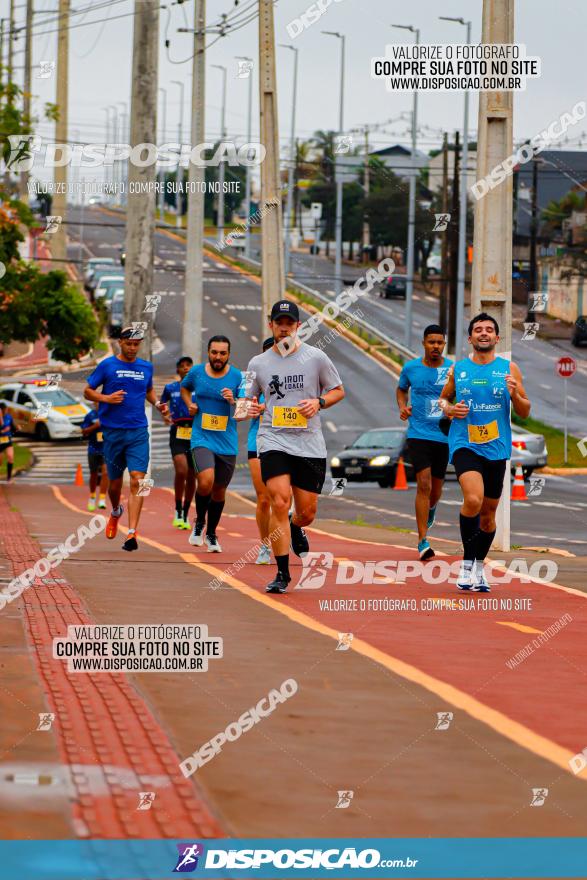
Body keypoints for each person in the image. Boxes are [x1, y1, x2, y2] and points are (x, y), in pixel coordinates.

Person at [246, 300, 345, 595]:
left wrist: (319, 402)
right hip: (273, 439)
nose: (284, 327)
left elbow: (338, 390)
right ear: (272, 325)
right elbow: (246, 399)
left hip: (309, 444)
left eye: (290, 322)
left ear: (298, 326)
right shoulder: (258, 363)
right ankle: (282, 573)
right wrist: (249, 408)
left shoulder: (316, 358)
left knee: (307, 513)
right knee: (278, 501)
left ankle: (295, 525)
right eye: (280, 322)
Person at [440, 312, 531, 592]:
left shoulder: (509, 369)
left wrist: (515, 394)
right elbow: (443, 398)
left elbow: (525, 411)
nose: (483, 333)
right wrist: (449, 409)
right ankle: (467, 565)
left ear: (496, 337)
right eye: (478, 329)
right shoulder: (459, 369)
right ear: (470, 338)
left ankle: (479, 567)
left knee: (488, 516)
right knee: (473, 498)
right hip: (465, 443)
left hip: (497, 447)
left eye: (489, 330)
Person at [84, 326, 168, 552]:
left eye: (136, 344)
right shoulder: (107, 365)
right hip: (112, 433)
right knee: (113, 484)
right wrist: (106, 398)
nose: (132, 348)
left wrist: (159, 404)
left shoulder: (146, 367)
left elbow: (148, 391)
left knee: (137, 480)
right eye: (129, 344)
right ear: (120, 343)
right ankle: (115, 511)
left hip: (138, 431)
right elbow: (87, 391)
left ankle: (132, 532)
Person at [180, 336, 245, 552]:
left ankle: (212, 533)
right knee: (206, 480)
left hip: (227, 442)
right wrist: (190, 404)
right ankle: (199, 523)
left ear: (229, 354)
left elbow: (243, 413)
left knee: (219, 491)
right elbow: (184, 388)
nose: (218, 357)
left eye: (222, 353)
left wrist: (232, 401)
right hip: (202, 437)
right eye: (214, 352)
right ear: (208, 352)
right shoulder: (197, 372)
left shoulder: (237, 377)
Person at [396, 325, 453, 560]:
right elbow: (401, 390)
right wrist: (403, 407)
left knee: (436, 491)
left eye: (440, 342)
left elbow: (459, 393)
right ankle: (422, 541)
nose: (436, 347)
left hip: (444, 435)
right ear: (423, 343)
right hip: (419, 434)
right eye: (432, 342)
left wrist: (453, 408)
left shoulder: (452, 369)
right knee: (424, 484)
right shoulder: (411, 368)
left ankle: (431, 509)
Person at [246, 337, 275, 565]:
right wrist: (248, 408)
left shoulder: (293, 378)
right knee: (264, 499)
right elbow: (242, 409)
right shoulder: (253, 378)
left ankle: (293, 529)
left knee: (284, 499)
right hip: (258, 442)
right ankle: (265, 545)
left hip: (289, 442)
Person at [160, 356, 196, 529]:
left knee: (192, 475)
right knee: (181, 469)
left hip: (196, 433)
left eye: (188, 365)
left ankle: (186, 513)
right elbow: (161, 403)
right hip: (178, 431)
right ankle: (177, 509)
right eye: (182, 366)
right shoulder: (171, 388)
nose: (185, 368)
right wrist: (165, 413)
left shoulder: (199, 388)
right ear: (178, 370)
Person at [81, 402, 108, 510]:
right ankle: (92, 496)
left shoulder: (109, 414)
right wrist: (95, 426)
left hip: (106, 449)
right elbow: (84, 432)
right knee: (94, 474)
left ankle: (102, 499)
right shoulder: (90, 415)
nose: (99, 404)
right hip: (93, 449)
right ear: (94, 403)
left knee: (106, 472)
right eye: (97, 402)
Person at [0, 402, 15, 481]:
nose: (6, 410)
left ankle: (9, 478)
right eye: (4, 409)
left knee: (10, 456)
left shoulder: (9, 417)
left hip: (7, 439)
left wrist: (15, 428)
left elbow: (13, 427)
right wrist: (2, 431)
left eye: (6, 409)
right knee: (0, 461)